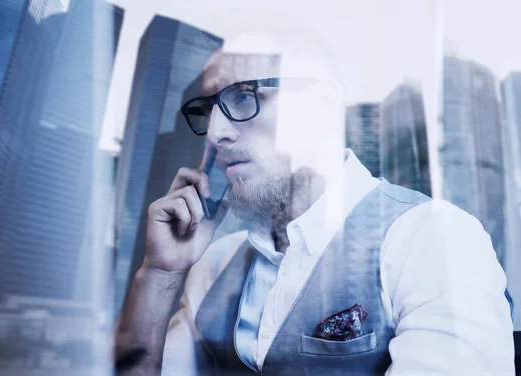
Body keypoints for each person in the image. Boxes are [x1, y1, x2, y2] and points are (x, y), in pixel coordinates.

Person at [114, 26, 515, 375]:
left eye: (242, 98)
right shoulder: (215, 263)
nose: (217, 131)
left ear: (320, 107)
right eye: (209, 108)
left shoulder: (431, 239)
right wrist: (161, 274)